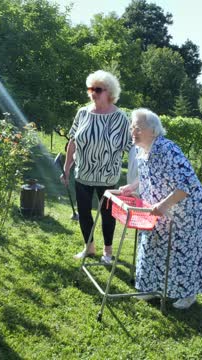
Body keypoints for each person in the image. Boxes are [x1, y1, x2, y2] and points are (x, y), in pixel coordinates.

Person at [119, 108, 202, 309]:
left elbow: (188, 184)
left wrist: (163, 205)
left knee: (182, 251)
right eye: (132, 127)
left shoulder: (167, 149)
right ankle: (149, 288)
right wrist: (133, 186)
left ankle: (188, 294)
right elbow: (147, 174)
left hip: (185, 210)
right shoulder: (140, 149)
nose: (133, 131)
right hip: (159, 208)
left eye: (138, 127)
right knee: (152, 244)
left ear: (153, 131)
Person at [61, 70, 132, 264]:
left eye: (97, 89)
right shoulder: (83, 113)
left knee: (107, 216)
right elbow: (72, 142)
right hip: (82, 173)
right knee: (84, 212)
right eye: (90, 88)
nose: (93, 93)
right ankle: (89, 247)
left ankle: (107, 253)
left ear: (109, 92)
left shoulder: (121, 118)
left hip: (108, 177)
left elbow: (131, 149)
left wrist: (136, 180)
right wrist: (67, 168)